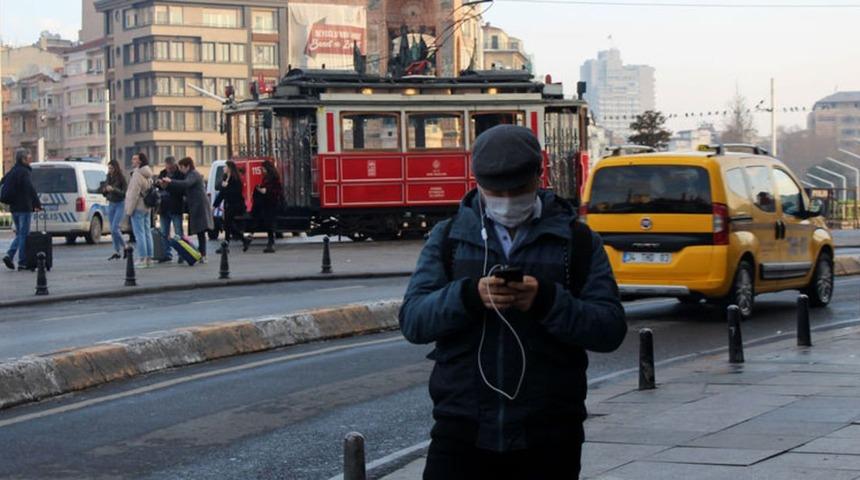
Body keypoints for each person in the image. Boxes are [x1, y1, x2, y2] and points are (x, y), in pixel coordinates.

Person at [399, 125, 627, 480]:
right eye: (495, 191)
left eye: (517, 190)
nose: (506, 200)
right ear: (477, 182)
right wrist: (469, 296)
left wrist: (547, 301)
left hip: (549, 434)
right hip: (462, 429)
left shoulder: (577, 242)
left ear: (539, 175)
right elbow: (413, 321)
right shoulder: (449, 238)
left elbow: (609, 328)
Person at [160, 157, 214, 263]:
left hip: (200, 206)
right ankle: (201, 253)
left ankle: (203, 255)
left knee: (201, 231)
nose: (180, 169)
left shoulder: (193, 174)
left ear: (187, 166)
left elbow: (185, 184)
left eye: (181, 167)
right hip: (196, 205)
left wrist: (170, 181)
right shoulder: (190, 174)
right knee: (200, 231)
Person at [1, 148, 42, 271]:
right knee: (23, 234)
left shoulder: (13, 171)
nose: (30, 158)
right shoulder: (24, 172)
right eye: (29, 156)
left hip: (14, 208)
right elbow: (30, 188)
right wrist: (37, 203)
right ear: (24, 159)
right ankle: (21, 261)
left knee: (20, 234)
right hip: (24, 207)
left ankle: (11, 255)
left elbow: (2, 182)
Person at [124, 152, 156, 268]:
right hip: (147, 206)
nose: (132, 161)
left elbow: (133, 194)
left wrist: (129, 210)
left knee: (139, 233)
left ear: (140, 161)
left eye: (135, 159)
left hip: (137, 206)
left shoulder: (137, 174)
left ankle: (142, 258)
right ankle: (149, 258)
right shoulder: (148, 173)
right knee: (147, 232)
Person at [213, 160, 251, 253]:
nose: (223, 168)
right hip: (228, 205)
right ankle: (242, 240)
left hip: (236, 205)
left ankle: (229, 243)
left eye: (225, 167)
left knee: (227, 224)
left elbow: (235, 193)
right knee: (227, 224)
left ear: (229, 168)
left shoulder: (236, 179)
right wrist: (215, 205)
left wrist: (226, 187)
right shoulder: (225, 178)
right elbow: (221, 193)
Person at [156, 156, 185, 263]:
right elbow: (157, 185)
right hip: (164, 206)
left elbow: (181, 189)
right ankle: (166, 254)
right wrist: (159, 183)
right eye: (167, 168)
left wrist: (168, 185)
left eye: (170, 168)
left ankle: (182, 253)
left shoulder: (180, 174)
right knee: (164, 232)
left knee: (178, 232)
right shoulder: (162, 172)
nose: (168, 170)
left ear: (174, 166)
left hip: (175, 206)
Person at [250, 160, 283, 253]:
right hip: (268, 203)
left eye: (263, 169)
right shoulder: (268, 177)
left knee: (269, 223)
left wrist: (264, 191)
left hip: (271, 204)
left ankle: (270, 243)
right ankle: (270, 242)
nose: (262, 171)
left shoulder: (273, 178)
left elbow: (275, 190)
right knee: (268, 223)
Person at [100, 160, 128, 261]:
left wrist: (113, 189)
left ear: (116, 168)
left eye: (111, 168)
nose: (110, 170)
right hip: (111, 203)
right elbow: (104, 190)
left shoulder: (121, 178)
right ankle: (117, 251)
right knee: (112, 230)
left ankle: (126, 247)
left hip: (120, 203)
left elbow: (124, 193)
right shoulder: (108, 176)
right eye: (109, 168)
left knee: (115, 228)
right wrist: (104, 190)